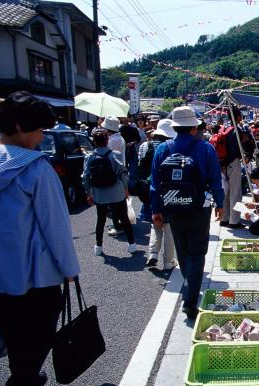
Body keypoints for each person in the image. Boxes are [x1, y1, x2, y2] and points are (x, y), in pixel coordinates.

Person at [0, 92, 80, 386]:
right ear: (19, 126)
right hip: (36, 276)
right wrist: (70, 269)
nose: (43, 137)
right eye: (39, 130)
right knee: (35, 332)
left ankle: (23, 380)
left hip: (1, 276)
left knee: (10, 327)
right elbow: (55, 227)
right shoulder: (36, 170)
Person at [150, 106, 224, 319]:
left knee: (183, 251)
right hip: (199, 208)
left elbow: (155, 183)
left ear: (175, 127)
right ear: (194, 128)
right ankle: (190, 301)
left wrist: (156, 209)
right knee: (197, 253)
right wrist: (219, 204)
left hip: (173, 207)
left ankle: (189, 287)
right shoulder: (206, 149)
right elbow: (215, 180)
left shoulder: (163, 149)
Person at [83, 128, 137, 256]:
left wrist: (89, 193)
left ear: (94, 142)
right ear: (107, 140)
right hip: (116, 192)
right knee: (124, 218)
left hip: (99, 193)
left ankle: (99, 246)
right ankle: (132, 245)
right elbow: (123, 173)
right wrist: (125, 189)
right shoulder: (116, 154)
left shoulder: (90, 157)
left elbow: (85, 177)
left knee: (100, 219)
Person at [139, 119, 177, 270]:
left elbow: (139, 165)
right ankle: (168, 262)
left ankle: (153, 254)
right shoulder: (172, 148)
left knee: (155, 222)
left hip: (149, 189)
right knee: (168, 226)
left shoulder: (145, 145)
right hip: (169, 190)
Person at [220, 107, 246, 229]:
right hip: (233, 163)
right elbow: (237, 149)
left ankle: (224, 218)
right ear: (238, 117)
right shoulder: (237, 130)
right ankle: (234, 221)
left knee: (226, 192)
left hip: (223, 164)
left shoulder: (225, 128)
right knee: (235, 192)